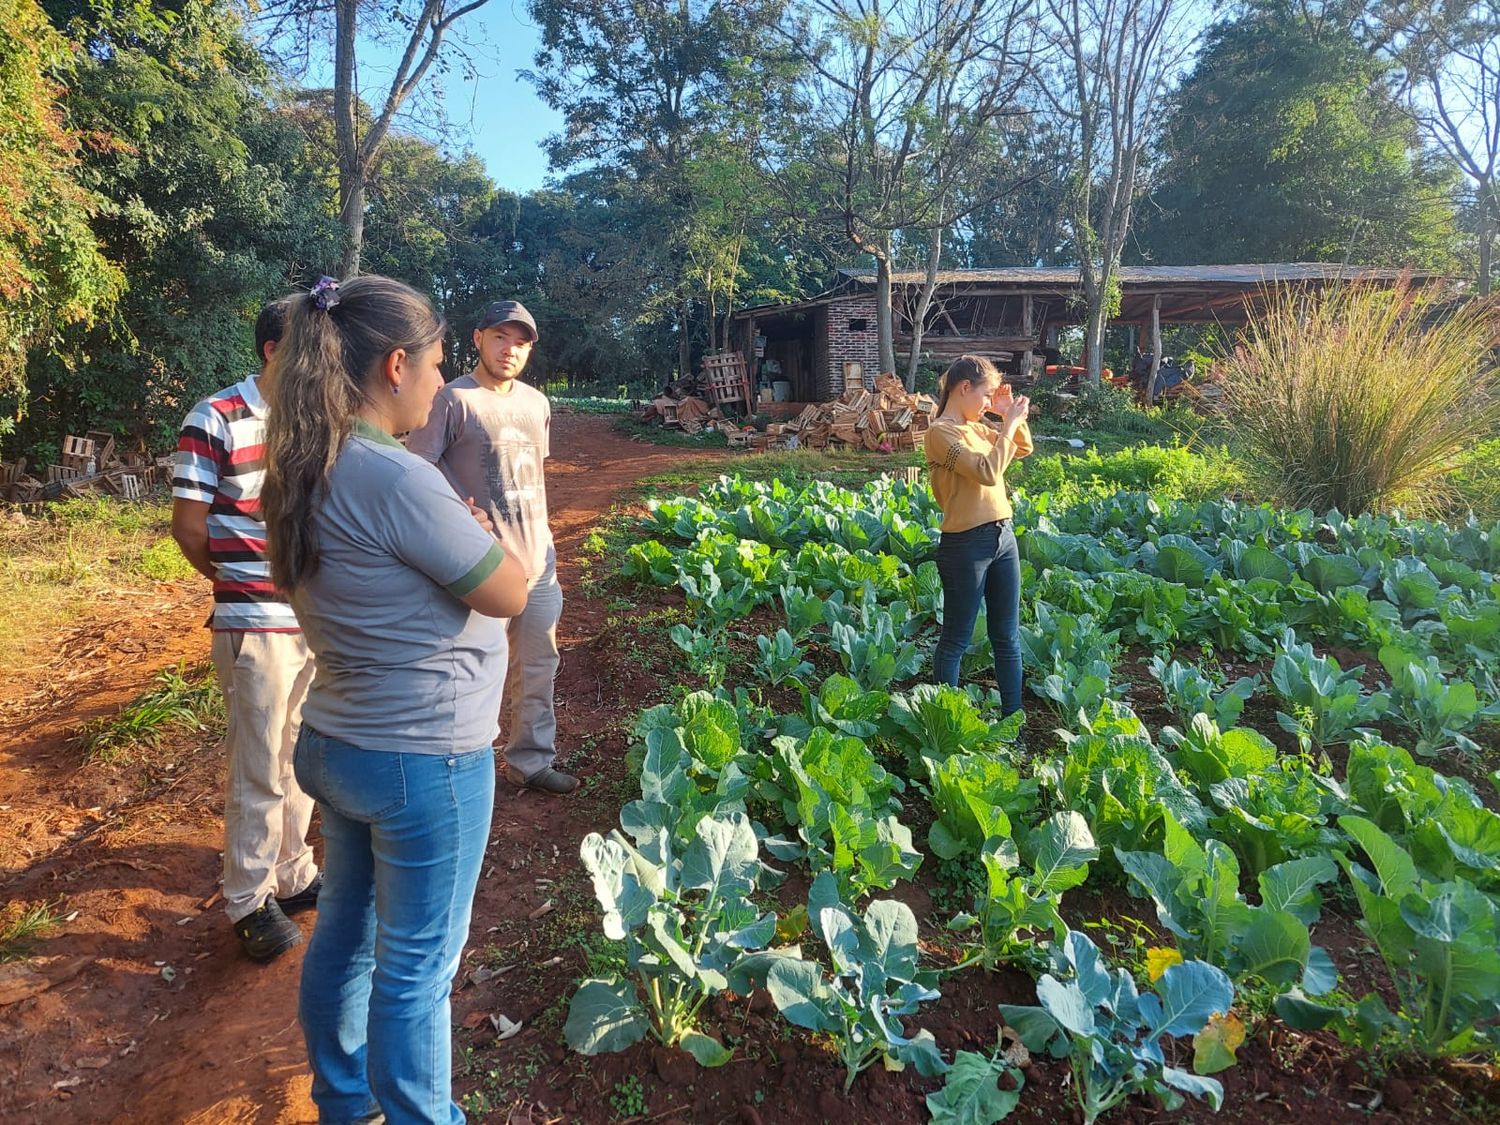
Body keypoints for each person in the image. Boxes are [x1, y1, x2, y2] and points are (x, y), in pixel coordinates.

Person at [261, 275, 529, 1123]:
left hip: (341, 738)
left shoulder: (305, 462)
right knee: (418, 966)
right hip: (423, 754)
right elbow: (509, 591)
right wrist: (484, 538)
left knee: (344, 932)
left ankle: (347, 1103)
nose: (442, 384)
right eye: (441, 365)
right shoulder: (393, 476)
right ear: (396, 365)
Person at [171, 298, 321, 962]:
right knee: (259, 762)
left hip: (311, 617)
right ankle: (247, 897)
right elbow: (190, 527)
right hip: (254, 618)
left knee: (299, 753)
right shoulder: (216, 416)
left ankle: (292, 873)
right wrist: (240, 584)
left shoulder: (315, 422)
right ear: (272, 350)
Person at [406, 299, 576, 794]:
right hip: (480, 563)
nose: (510, 349)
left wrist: (541, 543)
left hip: (538, 560)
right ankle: (459, 765)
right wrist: (459, 507)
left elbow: (532, 476)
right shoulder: (452, 398)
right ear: (478, 338)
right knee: (472, 670)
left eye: (521, 342)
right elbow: (419, 465)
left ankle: (531, 760)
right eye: (500, 337)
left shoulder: (536, 404)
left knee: (539, 661)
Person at [923, 355, 1034, 715]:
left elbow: (1022, 448)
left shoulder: (979, 427)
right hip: (965, 544)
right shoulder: (941, 433)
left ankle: (1013, 720)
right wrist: (1008, 423)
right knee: (956, 639)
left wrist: (1007, 418)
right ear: (964, 387)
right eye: (986, 395)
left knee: (1007, 636)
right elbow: (987, 471)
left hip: (1003, 536)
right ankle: (946, 720)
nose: (988, 403)